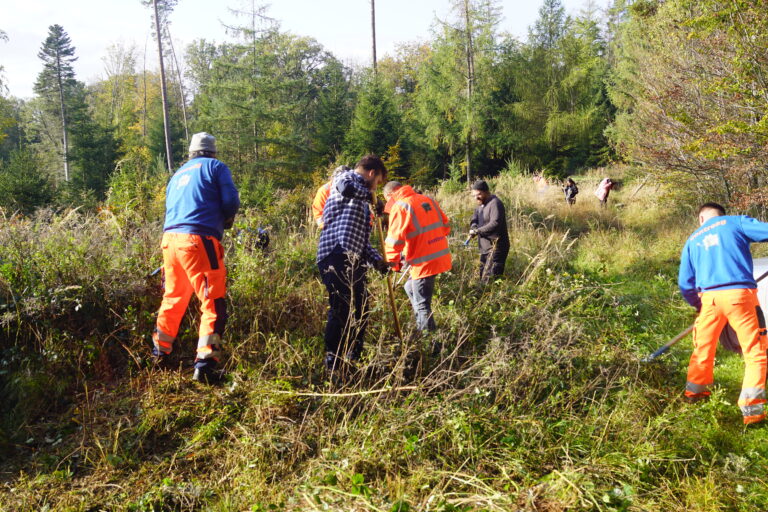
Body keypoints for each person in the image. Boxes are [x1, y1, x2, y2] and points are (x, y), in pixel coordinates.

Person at [152, 132, 240, 383]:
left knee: (173, 298)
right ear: (212, 152)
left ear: (191, 153)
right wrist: (226, 220)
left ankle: (159, 354)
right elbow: (231, 201)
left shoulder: (178, 174)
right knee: (213, 301)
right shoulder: (216, 167)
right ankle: (206, 365)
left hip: (170, 241)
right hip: (198, 241)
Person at [678, 202, 768, 425]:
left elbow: (685, 284)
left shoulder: (693, 239)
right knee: (755, 351)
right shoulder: (735, 222)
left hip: (709, 299)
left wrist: (699, 306)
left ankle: (695, 397)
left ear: (701, 219)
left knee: (703, 349)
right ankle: (752, 412)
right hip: (740, 296)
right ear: (721, 215)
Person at [316, 155, 390, 373]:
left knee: (361, 307)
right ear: (371, 173)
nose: (377, 188)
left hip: (353, 257)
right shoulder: (347, 179)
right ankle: (333, 360)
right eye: (378, 182)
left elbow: (363, 242)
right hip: (335, 253)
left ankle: (353, 355)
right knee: (341, 308)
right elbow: (344, 185)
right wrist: (371, 197)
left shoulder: (362, 204)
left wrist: (378, 262)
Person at [382, 181, 451, 334]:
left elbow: (394, 240)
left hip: (423, 262)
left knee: (422, 304)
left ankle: (429, 341)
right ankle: (423, 326)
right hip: (438, 256)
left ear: (389, 195)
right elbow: (445, 227)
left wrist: (392, 264)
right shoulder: (427, 200)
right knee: (409, 288)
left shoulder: (400, 206)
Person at [469, 180, 510, 282]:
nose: (476, 198)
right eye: (474, 196)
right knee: (483, 278)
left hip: (496, 248)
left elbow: (495, 223)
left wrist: (477, 231)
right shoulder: (480, 205)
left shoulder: (495, 203)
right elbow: (474, 219)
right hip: (485, 248)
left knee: (492, 280)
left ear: (486, 192)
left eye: (478, 194)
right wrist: (473, 226)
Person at [312, 165, 350, 229]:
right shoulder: (324, 191)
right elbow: (319, 215)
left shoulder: (355, 190)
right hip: (330, 229)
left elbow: (367, 213)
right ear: (333, 179)